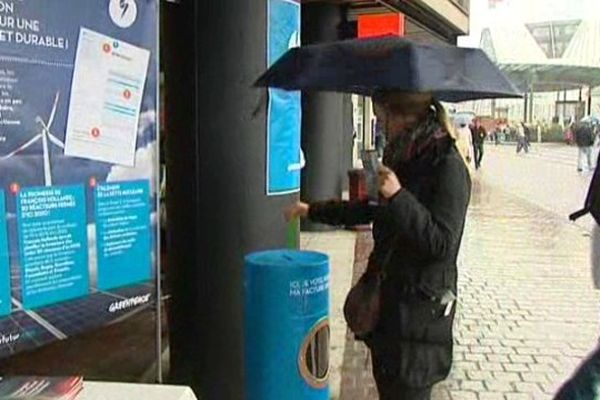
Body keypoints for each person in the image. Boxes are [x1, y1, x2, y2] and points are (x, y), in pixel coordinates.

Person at [285, 91, 471, 400]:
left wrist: (399, 196)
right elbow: (369, 208)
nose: (381, 125)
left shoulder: (447, 166)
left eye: (382, 117)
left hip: (419, 321)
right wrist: (313, 210)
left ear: (403, 117)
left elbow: (442, 244)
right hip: (389, 309)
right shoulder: (403, 157)